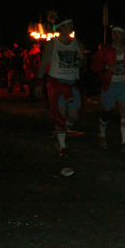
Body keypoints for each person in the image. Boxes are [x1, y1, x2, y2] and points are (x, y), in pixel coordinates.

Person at [33, 18, 85, 157]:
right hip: (56, 83)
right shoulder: (52, 44)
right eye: (69, 24)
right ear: (61, 27)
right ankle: (62, 146)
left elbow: (82, 61)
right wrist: (38, 82)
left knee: (74, 115)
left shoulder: (77, 43)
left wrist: (80, 62)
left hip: (72, 83)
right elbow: (44, 63)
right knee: (60, 114)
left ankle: (61, 131)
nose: (72, 26)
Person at [91, 26, 125, 150]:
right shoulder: (105, 51)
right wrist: (107, 67)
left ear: (123, 36)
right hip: (109, 84)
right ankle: (102, 135)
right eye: (114, 33)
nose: (116, 36)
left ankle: (124, 142)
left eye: (118, 33)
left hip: (124, 83)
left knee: (124, 109)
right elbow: (94, 66)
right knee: (107, 110)